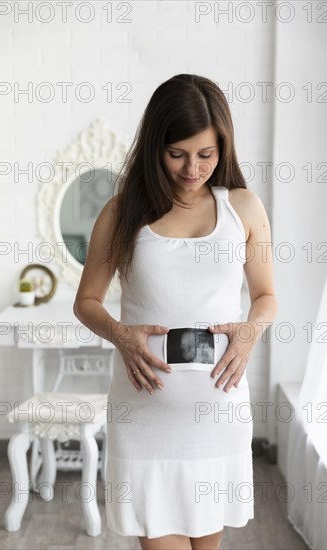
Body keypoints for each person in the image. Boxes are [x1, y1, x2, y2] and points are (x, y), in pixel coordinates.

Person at [73, 74, 278, 550]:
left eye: (206, 154)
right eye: (177, 153)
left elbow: (266, 295)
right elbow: (87, 302)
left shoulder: (242, 209)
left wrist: (249, 332)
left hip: (218, 415)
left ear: (222, 147)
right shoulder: (123, 211)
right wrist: (121, 334)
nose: (193, 168)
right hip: (145, 415)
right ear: (154, 146)